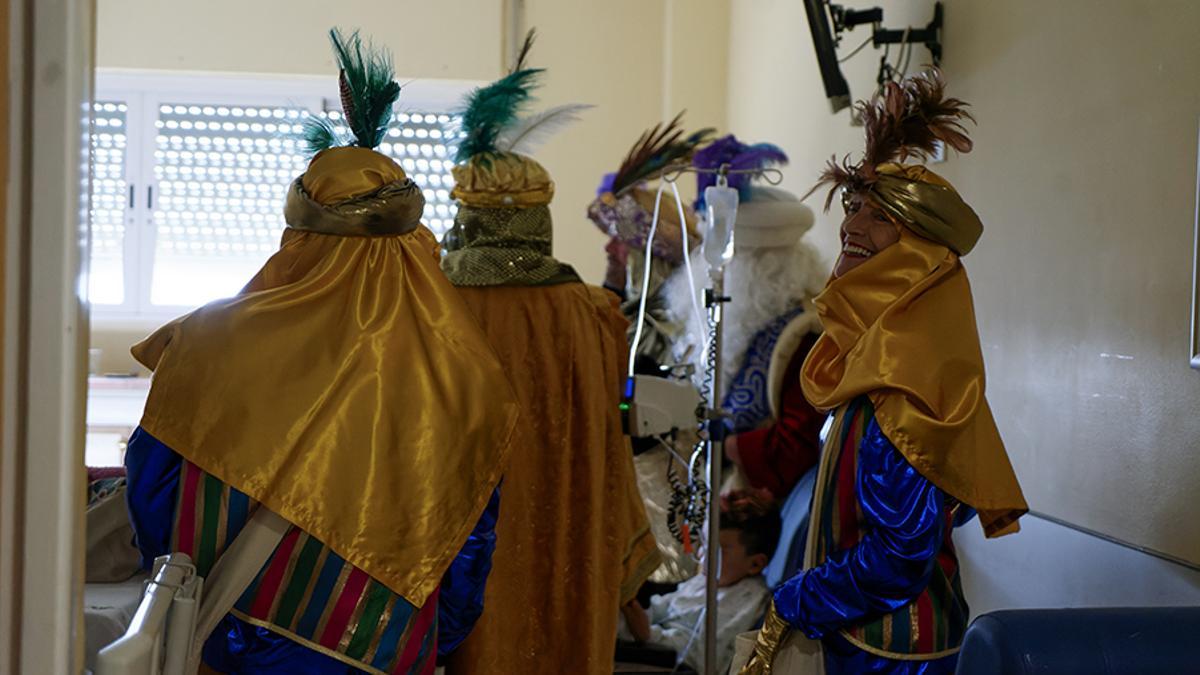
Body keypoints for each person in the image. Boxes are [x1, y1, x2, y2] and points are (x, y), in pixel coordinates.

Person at [123, 30, 518, 674]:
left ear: (297, 235)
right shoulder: (468, 376)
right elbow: (469, 539)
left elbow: (153, 495)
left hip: (227, 638)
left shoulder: (206, 341)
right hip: (384, 645)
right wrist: (429, 638)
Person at [738, 69, 1029, 675]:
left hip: (889, 655)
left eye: (878, 218)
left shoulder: (904, 384)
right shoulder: (883, 363)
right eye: (853, 209)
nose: (851, 227)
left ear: (917, 257)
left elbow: (899, 558)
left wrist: (792, 603)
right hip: (871, 638)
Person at [439, 33, 661, 675]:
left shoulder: (434, 303)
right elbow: (612, 433)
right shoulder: (592, 314)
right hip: (567, 539)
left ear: (467, 214)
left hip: (457, 543)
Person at [587, 116, 713, 586]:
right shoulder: (627, 300)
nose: (609, 246)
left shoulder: (666, 316)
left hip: (659, 455)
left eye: (617, 239)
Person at [669, 135, 829, 504]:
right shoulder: (748, 321)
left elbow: (798, 443)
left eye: (727, 261)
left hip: (767, 510)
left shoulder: (803, 334)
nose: (711, 274)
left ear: (759, 267)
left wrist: (724, 444)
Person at [619, 490, 781, 675]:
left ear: (755, 564)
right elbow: (666, 607)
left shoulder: (748, 602)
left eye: (715, 551)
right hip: (650, 638)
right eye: (703, 544)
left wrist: (649, 635)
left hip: (668, 660)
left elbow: (704, 660)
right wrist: (636, 613)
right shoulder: (707, 580)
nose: (701, 556)